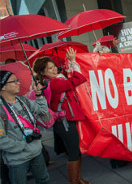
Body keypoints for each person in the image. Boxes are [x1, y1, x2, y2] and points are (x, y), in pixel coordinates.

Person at [32, 48, 91, 184]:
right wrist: (73, 62)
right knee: (74, 153)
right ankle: (74, 181)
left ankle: (78, 179)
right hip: (64, 122)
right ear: (42, 72)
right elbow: (79, 79)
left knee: (75, 151)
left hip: (63, 121)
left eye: (53, 67)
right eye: (49, 69)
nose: (54, 70)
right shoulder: (55, 83)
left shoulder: (48, 82)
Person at [0, 70, 50, 184]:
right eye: (14, 81)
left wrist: (39, 95)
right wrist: (22, 146)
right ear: (3, 86)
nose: (18, 83)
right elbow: (1, 140)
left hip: (36, 151)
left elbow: (42, 111)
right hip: (17, 159)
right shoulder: (1, 109)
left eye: (17, 80)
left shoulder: (23, 100)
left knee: (44, 180)